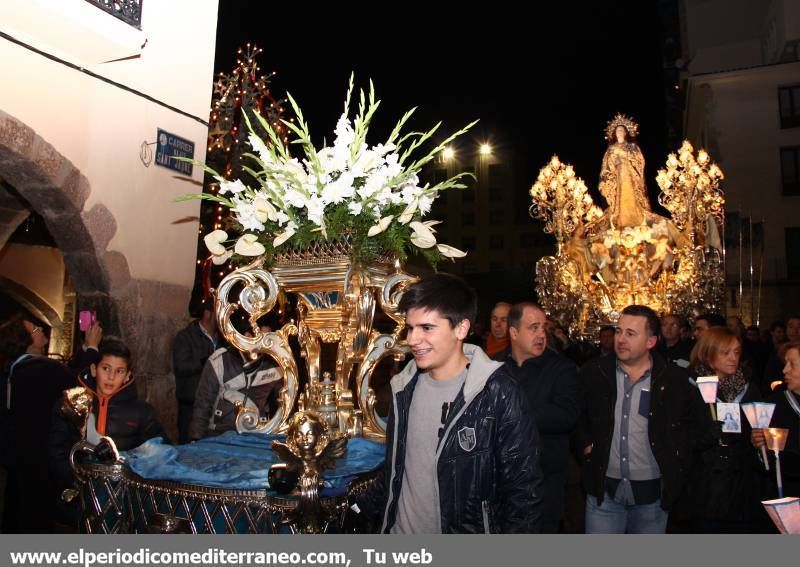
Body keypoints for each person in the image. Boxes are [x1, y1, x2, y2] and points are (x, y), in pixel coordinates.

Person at [371, 273, 544, 533]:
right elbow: (394, 472)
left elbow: (524, 492)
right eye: (410, 328)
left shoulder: (497, 392)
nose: (413, 339)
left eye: (427, 328)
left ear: (461, 329)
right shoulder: (403, 389)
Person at [576, 305, 709, 533]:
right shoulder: (594, 372)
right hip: (603, 492)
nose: (621, 339)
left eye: (631, 333)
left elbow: (695, 426)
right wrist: (586, 445)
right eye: (619, 331)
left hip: (653, 497)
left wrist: (677, 458)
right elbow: (577, 414)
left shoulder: (674, 379)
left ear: (651, 342)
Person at [50, 338, 167, 527]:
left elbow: (159, 451)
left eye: (119, 371)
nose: (111, 377)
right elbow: (57, 451)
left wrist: (121, 460)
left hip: (123, 502)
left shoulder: (141, 412)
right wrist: (77, 482)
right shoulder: (71, 405)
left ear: (128, 375)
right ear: (94, 369)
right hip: (79, 501)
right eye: (106, 368)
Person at [499, 302, 578, 532]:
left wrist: (512, 409)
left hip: (544, 485)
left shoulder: (561, 369)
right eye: (533, 328)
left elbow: (566, 416)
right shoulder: (493, 366)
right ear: (514, 333)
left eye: (543, 328)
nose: (541, 334)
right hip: (500, 485)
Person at [0, 313, 76, 532]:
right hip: (40, 456)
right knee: (35, 516)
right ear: (26, 342)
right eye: (35, 330)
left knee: (16, 507)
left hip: (18, 455)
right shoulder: (42, 369)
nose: (41, 331)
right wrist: (90, 349)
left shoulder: (15, 369)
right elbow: (74, 383)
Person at [686, 327, 760, 533]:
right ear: (709, 355)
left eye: (736, 352)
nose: (733, 358)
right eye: (725, 353)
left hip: (740, 483)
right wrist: (707, 435)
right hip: (705, 483)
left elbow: (757, 429)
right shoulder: (691, 388)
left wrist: (757, 438)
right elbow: (681, 437)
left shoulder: (748, 387)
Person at [187, 346, 282, 441]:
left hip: (256, 434)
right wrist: (196, 437)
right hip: (219, 432)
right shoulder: (220, 361)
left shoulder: (276, 363)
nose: (261, 336)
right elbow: (203, 403)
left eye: (266, 331)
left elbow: (283, 403)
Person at [751, 341, 800, 502]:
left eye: (792, 364)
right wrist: (761, 448)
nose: (785, 370)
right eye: (785, 363)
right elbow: (766, 467)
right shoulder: (774, 406)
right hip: (787, 496)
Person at [172, 302, 220, 444]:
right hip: (190, 405)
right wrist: (205, 362)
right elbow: (180, 367)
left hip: (214, 407)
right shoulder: (186, 337)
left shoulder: (222, 339)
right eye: (219, 313)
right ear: (207, 313)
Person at [598, 117, 650, 229]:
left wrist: (626, 158)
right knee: (619, 197)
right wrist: (614, 165)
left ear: (625, 133)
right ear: (614, 133)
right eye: (617, 130)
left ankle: (635, 218)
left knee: (631, 193)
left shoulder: (632, 147)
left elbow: (639, 160)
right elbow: (606, 166)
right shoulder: (611, 149)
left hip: (629, 174)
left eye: (621, 130)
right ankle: (620, 219)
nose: (619, 132)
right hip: (617, 176)